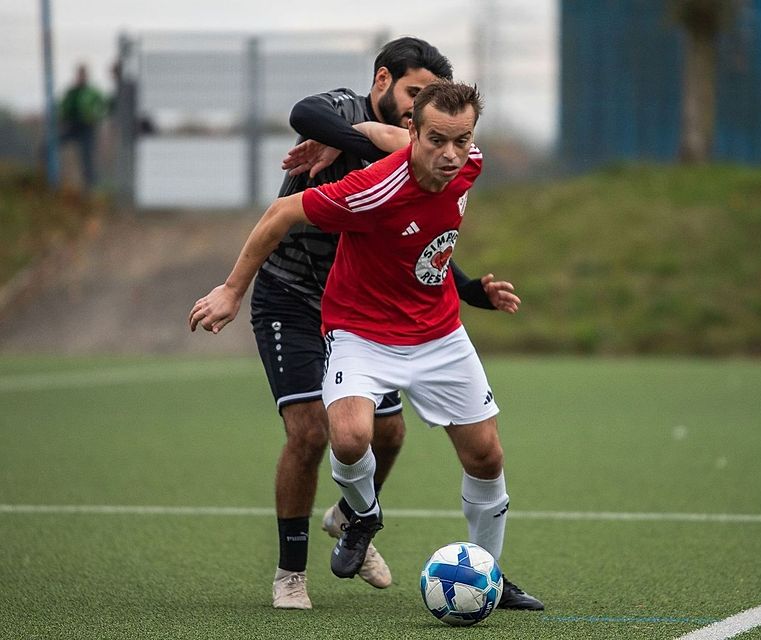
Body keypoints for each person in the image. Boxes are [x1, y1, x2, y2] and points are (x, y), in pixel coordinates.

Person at [189, 37, 534, 611]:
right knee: (336, 436)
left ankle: (489, 577)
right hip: (346, 322)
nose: (451, 153)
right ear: (390, 93)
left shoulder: (466, 164)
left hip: (437, 332)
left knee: (486, 456)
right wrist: (230, 289)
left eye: (461, 139)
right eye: (435, 136)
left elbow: (426, 242)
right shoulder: (373, 186)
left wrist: (471, 290)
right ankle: (350, 525)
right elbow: (280, 210)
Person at [59, 64, 107, 190]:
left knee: (87, 158)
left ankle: (90, 187)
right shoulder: (71, 92)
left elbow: (103, 106)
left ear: (86, 76)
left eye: (83, 74)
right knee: (51, 145)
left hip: (87, 127)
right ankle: (51, 178)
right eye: (79, 74)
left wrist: (95, 117)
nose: (81, 77)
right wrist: (63, 117)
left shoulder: (93, 92)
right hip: (72, 126)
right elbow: (63, 106)